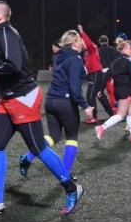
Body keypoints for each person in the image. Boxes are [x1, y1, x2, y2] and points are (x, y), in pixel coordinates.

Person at [0, 2, 83, 215]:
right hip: (9, 97)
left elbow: (15, 66)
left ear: (0, 16)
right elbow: (13, 68)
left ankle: (72, 188)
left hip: (24, 98)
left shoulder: (7, 34)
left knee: (39, 147)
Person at [19, 29, 93, 177]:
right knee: (72, 137)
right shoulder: (75, 59)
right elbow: (74, 87)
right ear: (74, 43)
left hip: (51, 100)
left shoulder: (58, 56)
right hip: (65, 101)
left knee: (54, 136)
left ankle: (27, 157)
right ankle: (66, 174)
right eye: (80, 40)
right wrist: (86, 106)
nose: (82, 42)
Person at [94, 38, 131, 145]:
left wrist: (100, 89)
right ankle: (102, 127)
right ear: (124, 49)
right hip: (125, 91)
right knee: (121, 115)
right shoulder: (126, 61)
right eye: (130, 49)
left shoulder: (114, 62)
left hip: (118, 91)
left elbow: (106, 76)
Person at [79, 25, 112, 122]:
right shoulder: (89, 53)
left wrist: (82, 32)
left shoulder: (92, 48)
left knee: (90, 96)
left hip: (96, 74)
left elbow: (88, 43)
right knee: (99, 94)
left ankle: (93, 117)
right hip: (94, 75)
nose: (81, 44)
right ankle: (111, 114)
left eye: (81, 43)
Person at [97, 34, 119, 111]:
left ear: (100, 42)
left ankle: (114, 107)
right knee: (115, 90)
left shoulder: (98, 51)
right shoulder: (112, 49)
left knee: (110, 92)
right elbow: (117, 60)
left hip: (103, 73)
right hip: (112, 71)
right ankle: (117, 107)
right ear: (107, 41)